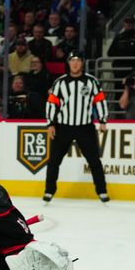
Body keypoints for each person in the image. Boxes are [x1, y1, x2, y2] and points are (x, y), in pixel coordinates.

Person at [44, 51, 109, 203]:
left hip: (85, 127)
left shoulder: (91, 81)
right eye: (72, 60)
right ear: (68, 63)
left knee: (94, 160)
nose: (75, 63)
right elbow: (52, 103)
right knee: (54, 160)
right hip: (63, 127)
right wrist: (50, 124)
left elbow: (99, 100)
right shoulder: (60, 82)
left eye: (78, 60)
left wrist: (103, 120)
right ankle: (49, 191)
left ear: (83, 63)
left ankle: (102, 191)